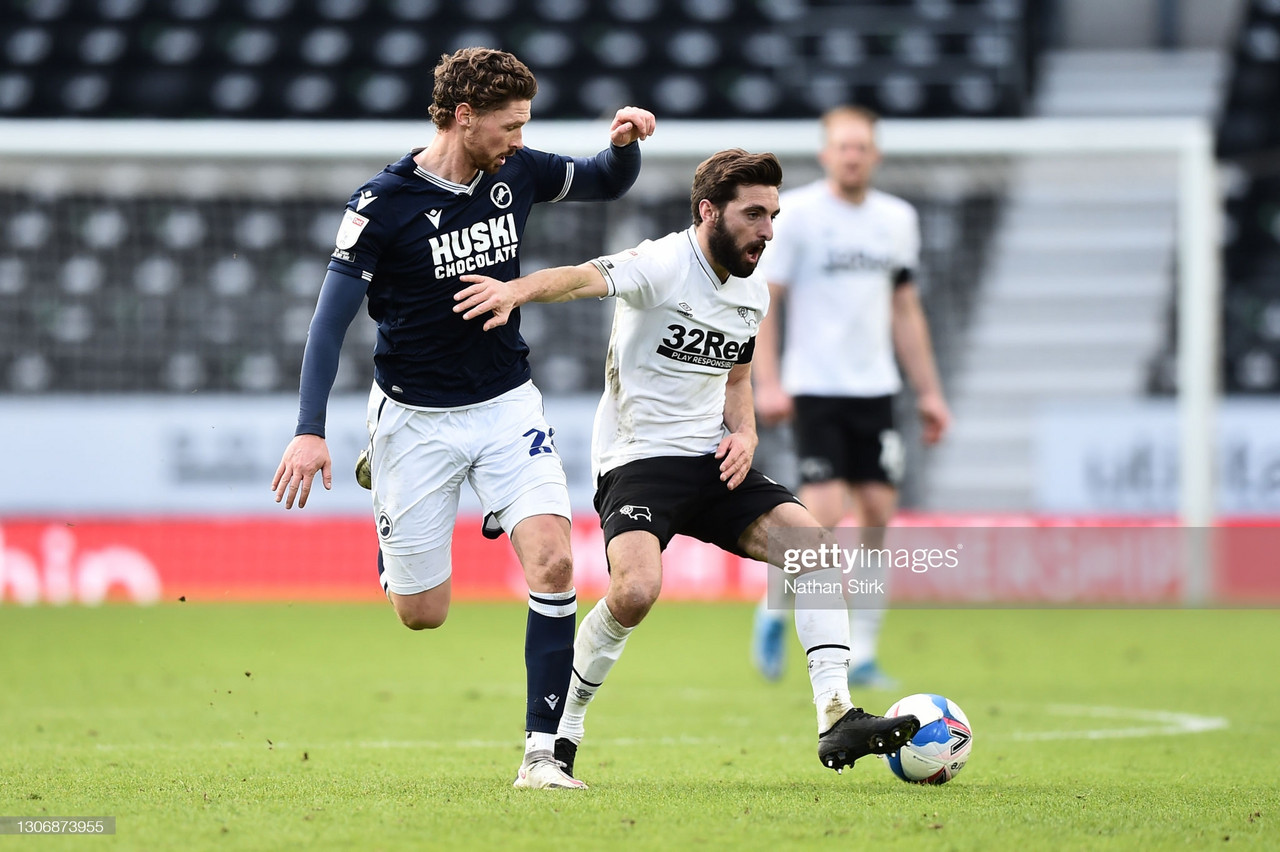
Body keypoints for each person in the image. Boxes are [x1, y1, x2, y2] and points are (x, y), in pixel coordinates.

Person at [453, 148, 921, 782]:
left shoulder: (754, 281)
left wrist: (747, 433)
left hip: (712, 459)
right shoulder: (664, 263)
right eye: (754, 214)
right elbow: (580, 276)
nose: (768, 230)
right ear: (709, 211)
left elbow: (739, 371)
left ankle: (836, 716)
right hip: (638, 461)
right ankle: (563, 732)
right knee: (637, 590)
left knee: (813, 549)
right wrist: (515, 290)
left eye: (774, 214)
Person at [270, 46, 656, 790]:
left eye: (526, 126)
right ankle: (385, 496)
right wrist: (310, 428)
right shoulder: (380, 206)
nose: (520, 139)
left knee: (553, 562)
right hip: (414, 420)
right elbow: (327, 326)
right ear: (463, 116)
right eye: (509, 125)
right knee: (422, 614)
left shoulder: (514, 171)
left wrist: (624, 145)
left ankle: (542, 755)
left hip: (508, 404)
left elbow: (606, 181)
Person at [749, 105, 952, 688]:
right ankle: (774, 606)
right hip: (815, 385)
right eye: (843, 146)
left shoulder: (896, 220)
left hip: (876, 388)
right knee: (825, 512)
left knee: (878, 517)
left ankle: (862, 648)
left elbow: (905, 309)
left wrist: (930, 393)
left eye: (862, 146)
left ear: (875, 154)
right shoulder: (801, 217)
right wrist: (770, 381)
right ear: (826, 153)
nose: (853, 155)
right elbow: (769, 300)